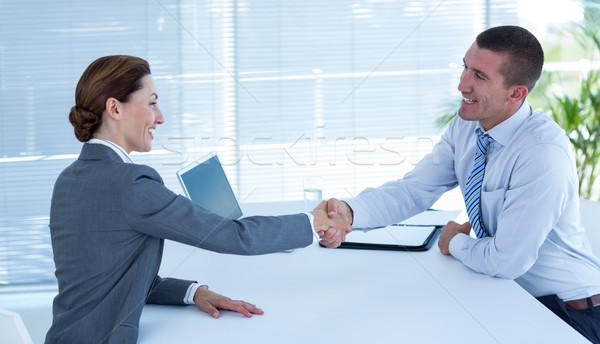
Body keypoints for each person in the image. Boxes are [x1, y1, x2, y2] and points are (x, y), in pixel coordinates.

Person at [321, 26, 600, 343]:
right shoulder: (466, 128)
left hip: (569, 314)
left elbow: (505, 261)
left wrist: (453, 241)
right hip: (509, 296)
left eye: (479, 76)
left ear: (516, 93)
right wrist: (350, 212)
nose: (461, 84)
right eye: (465, 66)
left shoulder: (542, 154)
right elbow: (415, 189)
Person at [45, 55, 351, 344]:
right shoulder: (131, 183)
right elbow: (234, 236)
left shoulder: (68, 180)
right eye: (152, 104)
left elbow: (108, 277)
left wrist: (193, 293)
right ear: (114, 109)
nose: (159, 118)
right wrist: (314, 222)